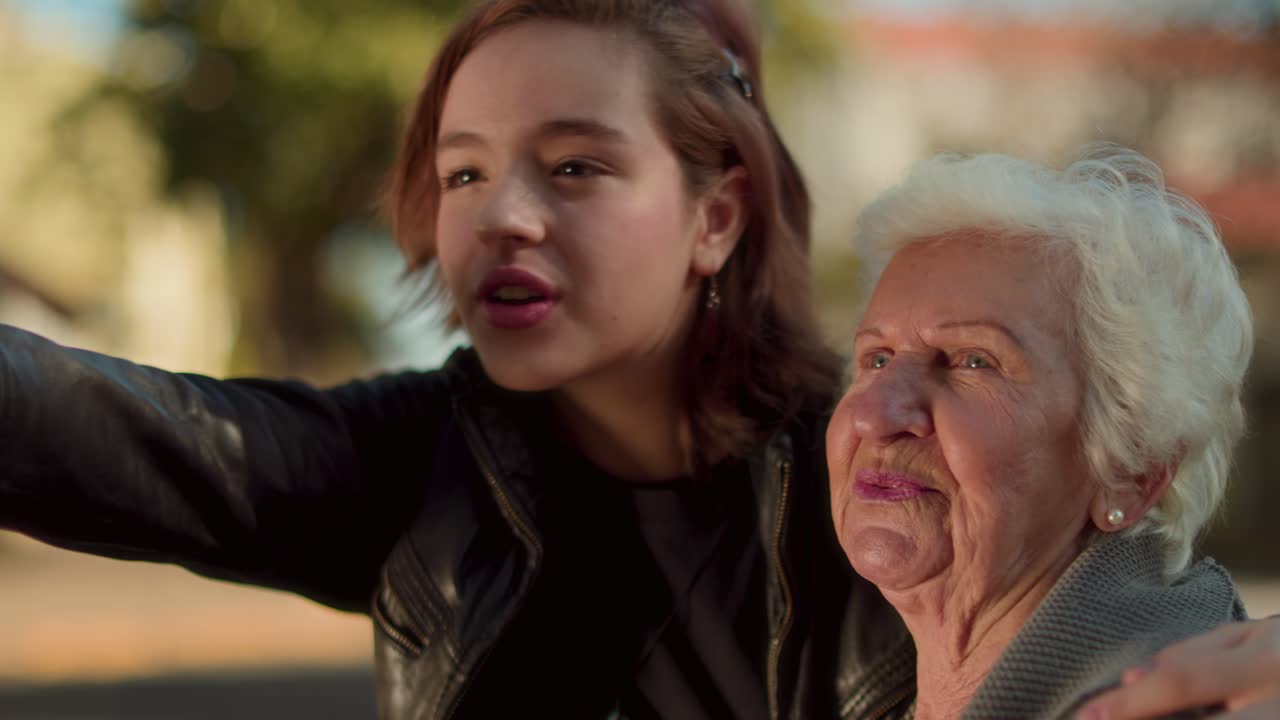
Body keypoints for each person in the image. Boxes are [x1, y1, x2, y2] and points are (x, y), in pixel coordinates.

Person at [2, 0, 1278, 717]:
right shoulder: (408, 463)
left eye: (573, 165)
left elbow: (1150, 613)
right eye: (459, 171)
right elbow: (97, 430)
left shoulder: (882, 480)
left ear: (717, 217)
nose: (500, 213)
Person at [825, 144, 1256, 719]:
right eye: (876, 359)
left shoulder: (1184, 704)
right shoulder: (856, 682)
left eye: (972, 361)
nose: (874, 414)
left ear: (1131, 471)